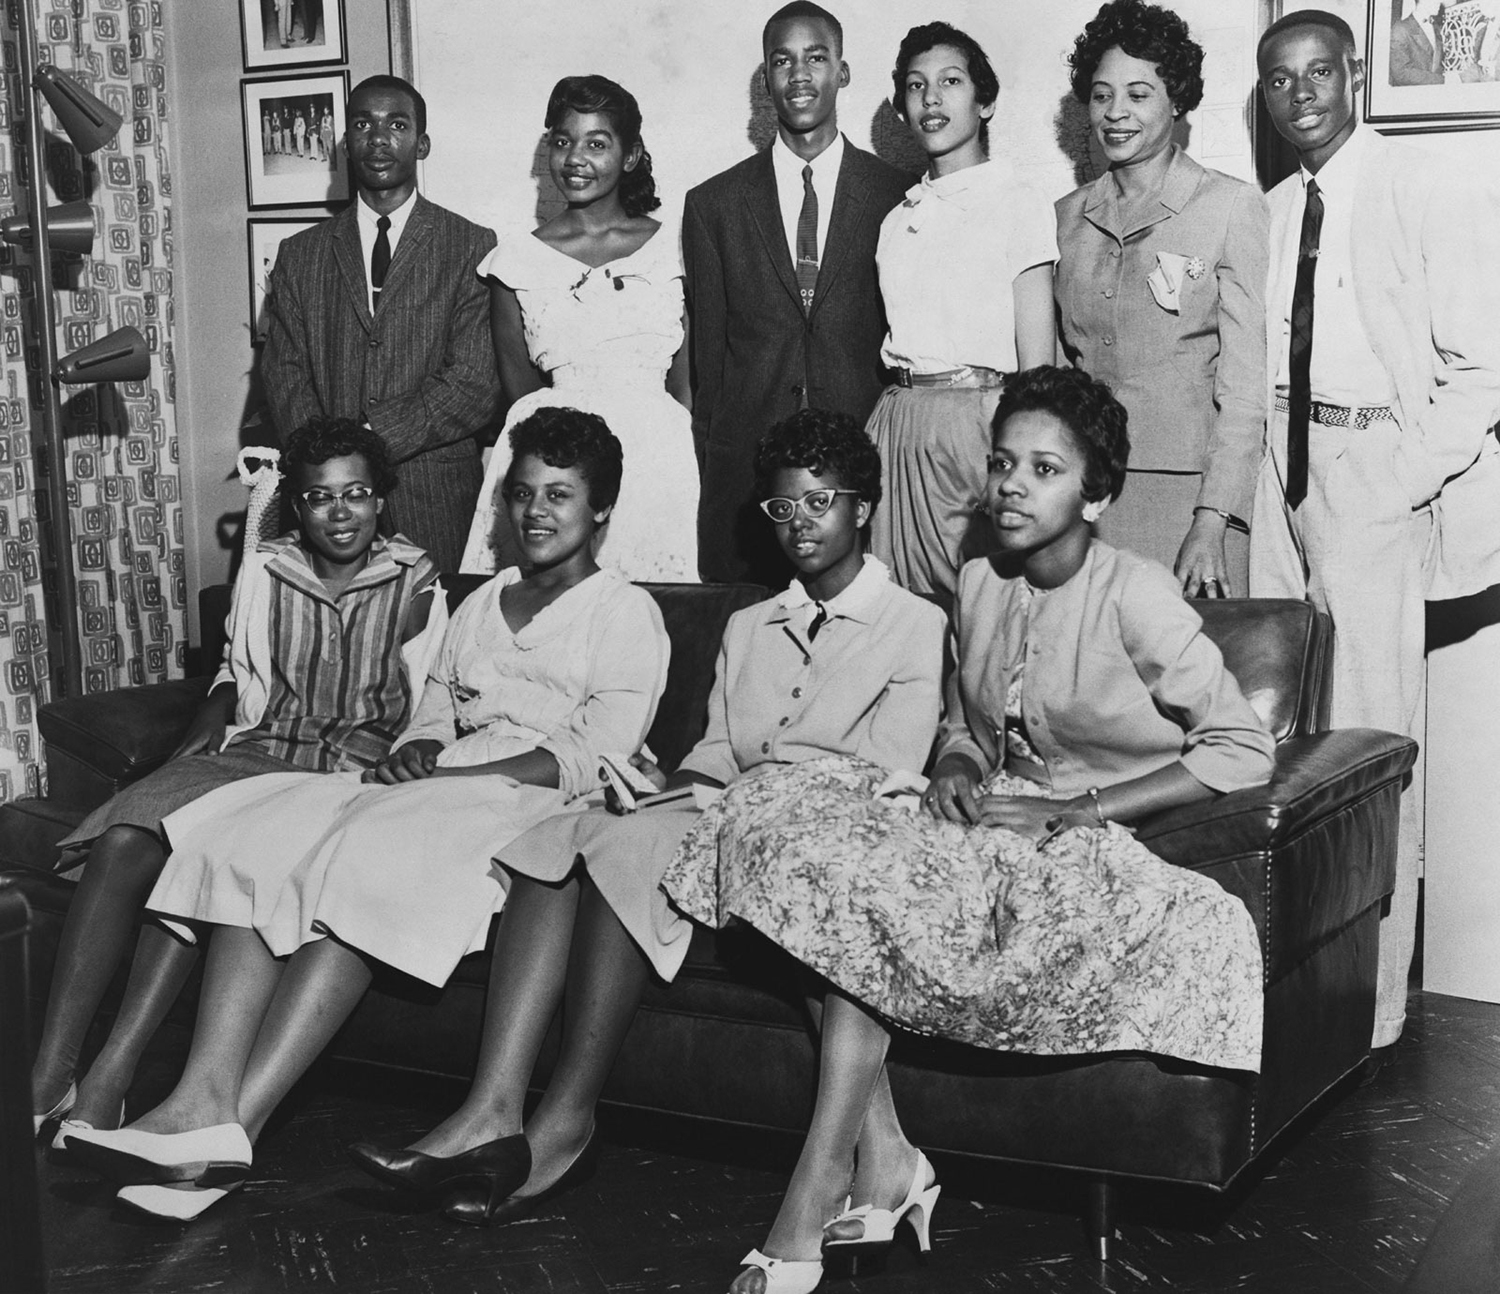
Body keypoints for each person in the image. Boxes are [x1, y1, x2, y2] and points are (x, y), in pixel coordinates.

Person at [671, 367, 1274, 1294]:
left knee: (858, 906)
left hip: (1088, 845)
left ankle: (816, 1192)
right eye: (1002, 463)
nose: (1012, 487)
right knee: (824, 870)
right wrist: (956, 761)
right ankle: (889, 1159)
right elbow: (964, 719)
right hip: (984, 827)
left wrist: (1081, 810)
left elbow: (1241, 745)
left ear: (1099, 494)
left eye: (1044, 468)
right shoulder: (978, 580)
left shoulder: (1136, 593)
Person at [64, 409, 671, 1223]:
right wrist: (420, 749)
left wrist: (461, 771)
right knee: (264, 840)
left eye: (560, 495)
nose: (536, 512)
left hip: (523, 801)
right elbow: (432, 710)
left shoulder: (624, 613)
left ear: (601, 509)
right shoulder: (485, 599)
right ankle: (196, 1101)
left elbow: (596, 753)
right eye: (522, 493)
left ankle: (233, 1126)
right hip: (435, 788)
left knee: (359, 859)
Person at [347, 408, 946, 1230]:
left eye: (822, 502)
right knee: (565, 832)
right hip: (722, 809)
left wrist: (728, 796)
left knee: (624, 850)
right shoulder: (747, 625)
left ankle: (564, 1124)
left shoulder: (917, 624)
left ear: (863, 509)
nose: (800, 524)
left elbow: (890, 768)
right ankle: (492, 1109)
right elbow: (719, 748)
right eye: (784, 507)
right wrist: (658, 780)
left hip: (819, 828)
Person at [29, 419, 443, 1140]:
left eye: (356, 495)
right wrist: (206, 725)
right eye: (320, 498)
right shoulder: (266, 569)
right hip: (262, 750)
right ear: (299, 505)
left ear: (381, 501)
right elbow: (236, 673)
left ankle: (112, 1075)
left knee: (202, 858)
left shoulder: (418, 581)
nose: (339, 513)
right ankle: (51, 1072)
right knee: (126, 836)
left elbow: (435, 702)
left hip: (345, 775)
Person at [1250, 10, 1500, 1063]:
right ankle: (1277, 998)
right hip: (1277, 474)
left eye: (1319, 72)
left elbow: (1482, 366)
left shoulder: (1421, 187)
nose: (1300, 92)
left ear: (1354, 74)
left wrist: (1394, 485)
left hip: (1370, 476)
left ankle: (1371, 1015)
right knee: (1266, 745)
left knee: (1368, 751)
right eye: (1279, 77)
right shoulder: (1265, 210)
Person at [684, 1, 910, 586]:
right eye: (783, 61)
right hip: (750, 473)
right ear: (766, 79)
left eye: (816, 58)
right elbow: (709, 361)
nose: (800, 75)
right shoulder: (713, 204)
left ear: (843, 71)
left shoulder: (900, 195)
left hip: (864, 456)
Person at [1055, 0, 1268, 596]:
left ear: (1177, 101)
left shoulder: (1230, 207)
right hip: (1086, 496)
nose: (1116, 113)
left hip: (1191, 503)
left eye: (1139, 94)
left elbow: (1245, 392)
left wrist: (1213, 520)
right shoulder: (1066, 218)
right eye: (1101, 95)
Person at [461, 75, 697, 582]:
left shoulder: (675, 247)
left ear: (630, 156)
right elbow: (520, 390)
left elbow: (685, 384)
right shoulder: (514, 261)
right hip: (554, 466)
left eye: (597, 143)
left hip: (657, 463)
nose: (575, 159)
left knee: (659, 610)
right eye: (563, 141)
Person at [262, 75, 502, 570]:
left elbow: (474, 384)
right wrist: (335, 471)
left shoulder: (470, 245)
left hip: (436, 496)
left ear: (422, 143)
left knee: (439, 637)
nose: (378, 138)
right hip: (328, 504)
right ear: (346, 143)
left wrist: (369, 443)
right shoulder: (300, 255)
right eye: (363, 124)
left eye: (396, 124)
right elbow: (284, 375)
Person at [866, 21, 1057, 610]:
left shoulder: (1015, 200)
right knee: (893, 607)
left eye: (950, 81)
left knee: (979, 601)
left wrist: (1018, 453)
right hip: (895, 423)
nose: (931, 98)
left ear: (986, 99)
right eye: (916, 85)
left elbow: (1037, 359)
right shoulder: (898, 217)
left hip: (976, 423)